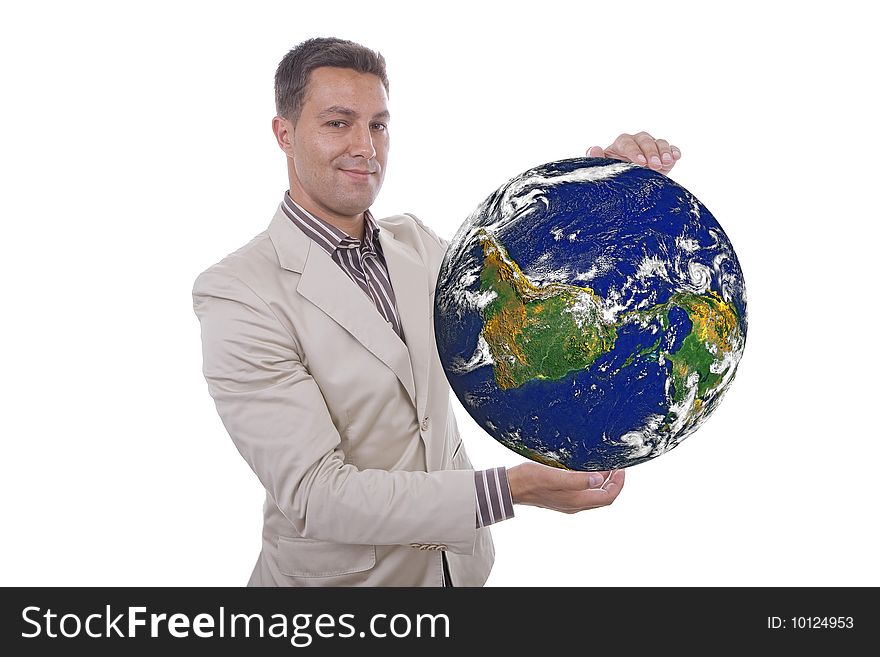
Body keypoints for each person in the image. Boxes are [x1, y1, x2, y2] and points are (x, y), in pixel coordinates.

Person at [192, 37, 682, 587]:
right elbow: (318, 496)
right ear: (284, 133)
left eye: (378, 125)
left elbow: (525, 293)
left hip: (460, 574)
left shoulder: (416, 245)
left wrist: (607, 194)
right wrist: (512, 488)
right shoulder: (238, 293)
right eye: (338, 123)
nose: (366, 147)